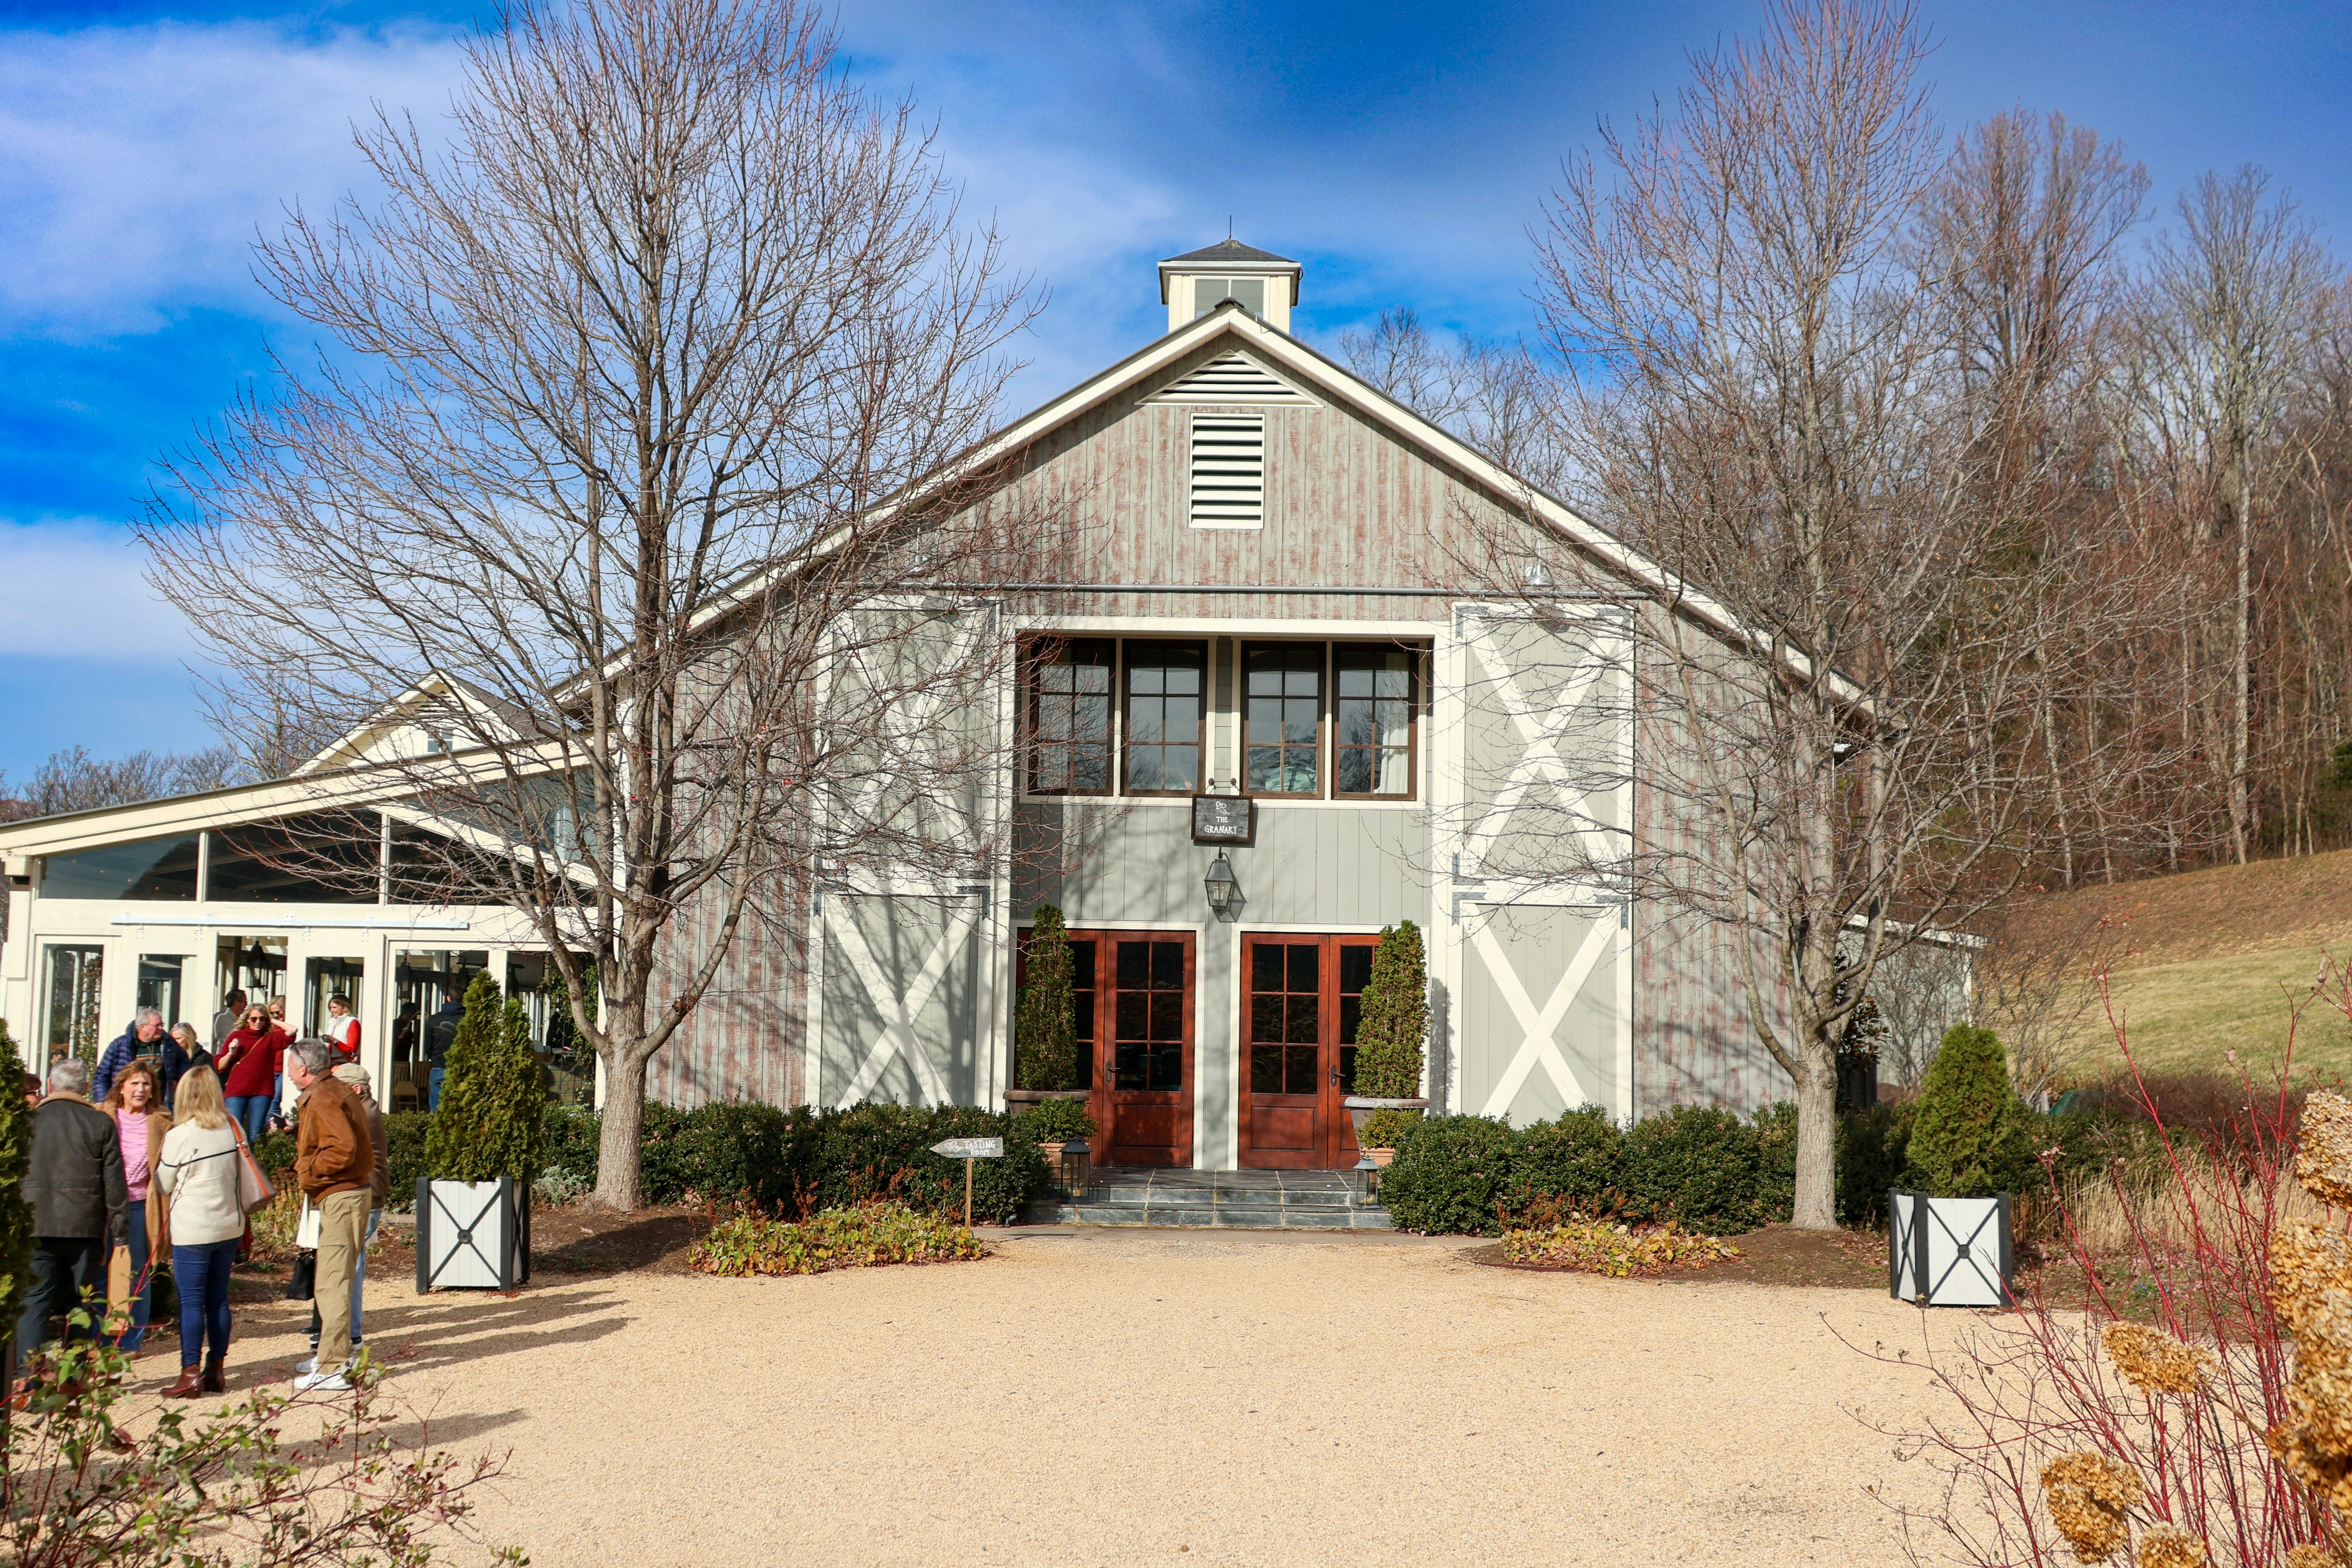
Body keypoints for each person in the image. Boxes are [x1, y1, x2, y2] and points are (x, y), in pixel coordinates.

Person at [14, 1059, 126, 1384]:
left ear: (50, 1087)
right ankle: (73, 1378)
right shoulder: (100, 1123)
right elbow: (115, 1184)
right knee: (80, 1303)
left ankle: (29, 1381)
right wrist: (120, 1235)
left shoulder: (28, 1121)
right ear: (85, 1090)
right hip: (84, 1227)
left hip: (36, 1226)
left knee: (34, 1303)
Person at [154, 1065, 245, 1398]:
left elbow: (164, 1184)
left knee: (191, 1303)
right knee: (218, 1300)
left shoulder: (180, 1135)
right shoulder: (232, 1127)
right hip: (229, 1223)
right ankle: (216, 1371)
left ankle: (190, 1373)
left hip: (194, 1228)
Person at [288, 1040, 372, 1392]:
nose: (288, 1073)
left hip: (342, 1194)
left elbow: (344, 1147)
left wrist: (309, 1169)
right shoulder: (330, 1090)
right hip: (347, 1193)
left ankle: (333, 1367)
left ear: (304, 1069)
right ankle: (333, 1355)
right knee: (336, 1279)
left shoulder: (323, 1097)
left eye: (290, 1066)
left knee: (332, 1282)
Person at [301, 1062, 387, 1376]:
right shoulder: (362, 1108)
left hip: (362, 1196)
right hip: (366, 1195)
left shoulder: (363, 1113)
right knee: (343, 1270)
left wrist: (308, 1172)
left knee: (345, 1273)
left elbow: (340, 1148)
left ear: (354, 1089)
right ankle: (335, 1344)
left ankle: (347, 1343)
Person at [98, 1060, 171, 1357]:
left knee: (139, 1272)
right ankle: (100, 1339)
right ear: (122, 1087)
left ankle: (130, 1342)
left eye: (146, 1084)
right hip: (105, 1206)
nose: (141, 1090)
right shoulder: (102, 1116)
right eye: (135, 1084)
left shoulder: (161, 1121)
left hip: (142, 1205)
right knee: (103, 1270)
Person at [216, 1003, 288, 1146]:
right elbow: (220, 1066)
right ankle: (235, 1164)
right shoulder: (237, 1036)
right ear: (247, 1020)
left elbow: (293, 1030)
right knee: (234, 1132)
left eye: (262, 1019)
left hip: (261, 1091)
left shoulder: (270, 1038)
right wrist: (231, 1053)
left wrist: (272, 1019)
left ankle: (253, 1165)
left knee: (255, 1135)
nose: (258, 1022)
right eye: (254, 1019)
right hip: (237, 1089)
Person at [94, 1007, 189, 1104]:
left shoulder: (168, 1043)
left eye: (162, 1025)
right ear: (143, 1027)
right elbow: (101, 1075)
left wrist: (177, 1079)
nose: (161, 1028)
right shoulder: (121, 1045)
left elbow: (184, 1060)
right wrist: (102, 1102)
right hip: (124, 1105)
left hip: (157, 1104)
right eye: (157, 1025)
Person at [425, 995, 464, 1111]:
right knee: (457, 1107)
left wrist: (433, 1057)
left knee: (436, 1107)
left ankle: (435, 1127)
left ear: (448, 998)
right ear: (463, 999)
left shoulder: (435, 1019)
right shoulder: (467, 1019)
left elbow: (428, 1043)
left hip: (438, 1065)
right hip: (459, 1067)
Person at [321, 993, 361, 1064]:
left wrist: (334, 1041)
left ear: (344, 1008)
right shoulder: (332, 1022)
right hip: (330, 1062)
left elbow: (352, 1050)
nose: (332, 1011)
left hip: (345, 1063)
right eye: (330, 1008)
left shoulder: (352, 1022)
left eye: (334, 1007)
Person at [210, 989, 247, 1053]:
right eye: (245, 1002)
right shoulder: (221, 1019)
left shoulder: (242, 1020)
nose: (246, 1005)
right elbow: (212, 1040)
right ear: (237, 1003)